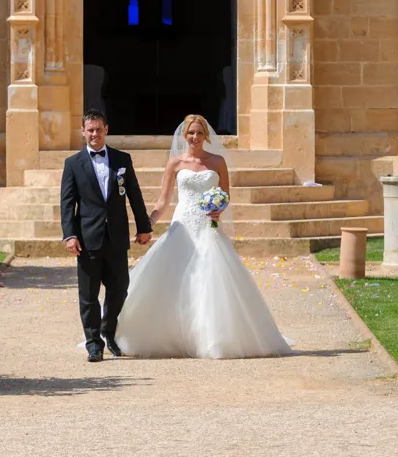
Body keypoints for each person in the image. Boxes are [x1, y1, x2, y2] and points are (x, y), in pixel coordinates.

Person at [115, 114, 292, 359]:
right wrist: (149, 223)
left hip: (209, 225)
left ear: (206, 135)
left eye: (199, 133)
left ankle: (213, 338)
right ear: (184, 135)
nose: (195, 137)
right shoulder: (175, 163)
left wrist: (219, 208)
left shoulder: (217, 161)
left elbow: (226, 194)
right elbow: (164, 199)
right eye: (191, 133)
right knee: (174, 276)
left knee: (212, 278)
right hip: (183, 225)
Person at [60, 110, 152, 362]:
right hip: (87, 238)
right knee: (88, 295)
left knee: (119, 288)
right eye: (90, 130)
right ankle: (93, 343)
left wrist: (143, 227)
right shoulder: (73, 164)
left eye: (99, 129)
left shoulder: (122, 159)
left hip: (116, 237)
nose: (94, 134)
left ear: (106, 130)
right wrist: (69, 235)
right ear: (83, 132)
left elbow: (134, 194)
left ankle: (108, 331)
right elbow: (67, 204)